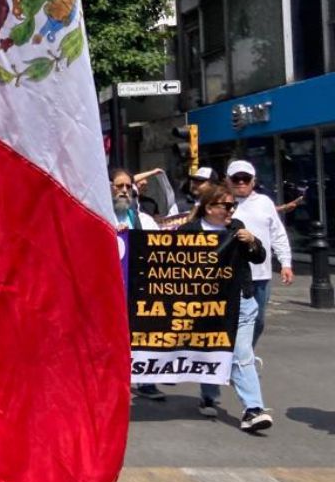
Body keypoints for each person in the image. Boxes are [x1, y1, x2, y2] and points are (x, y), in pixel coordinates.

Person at [180, 185, 273, 432]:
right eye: (227, 206)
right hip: (205, 306)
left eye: (234, 206)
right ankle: (209, 394)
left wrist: (253, 242)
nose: (232, 210)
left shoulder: (236, 227)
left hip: (240, 300)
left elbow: (258, 257)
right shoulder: (189, 231)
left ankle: (253, 409)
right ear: (210, 208)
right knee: (211, 350)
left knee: (242, 355)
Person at [112, 167, 167, 400]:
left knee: (142, 333)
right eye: (119, 186)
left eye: (127, 187)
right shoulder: (98, 215)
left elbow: (158, 246)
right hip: (107, 289)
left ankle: (145, 381)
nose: (124, 191)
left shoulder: (142, 219)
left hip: (136, 287)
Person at [227, 160, 292, 348]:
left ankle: (245, 356)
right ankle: (237, 361)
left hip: (260, 275)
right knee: (231, 320)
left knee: (258, 321)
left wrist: (285, 263)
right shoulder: (220, 203)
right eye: (236, 178)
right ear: (228, 180)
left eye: (245, 178)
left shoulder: (265, 203)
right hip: (231, 275)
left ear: (253, 181)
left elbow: (277, 234)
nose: (241, 182)